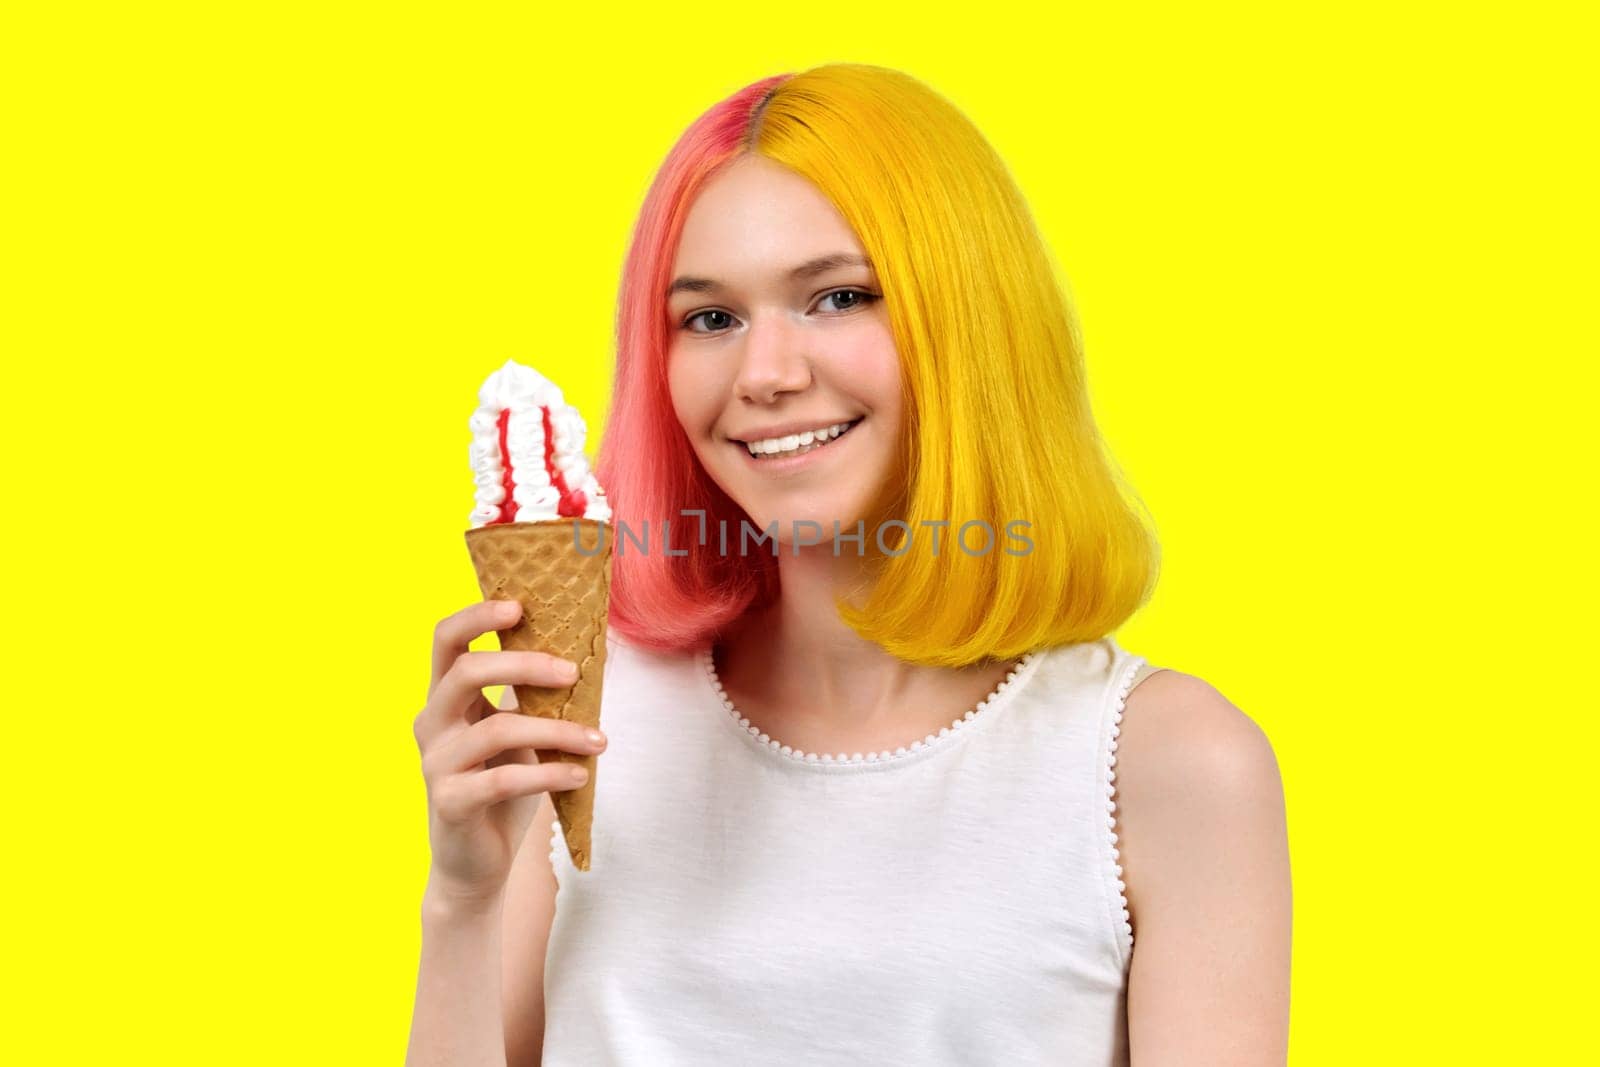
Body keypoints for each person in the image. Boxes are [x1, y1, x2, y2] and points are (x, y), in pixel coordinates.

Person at [408, 63, 1291, 1067]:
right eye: (710, 317)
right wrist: (464, 894)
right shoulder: (591, 721)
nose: (767, 374)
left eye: (837, 296)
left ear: (969, 322)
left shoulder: (1163, 761)